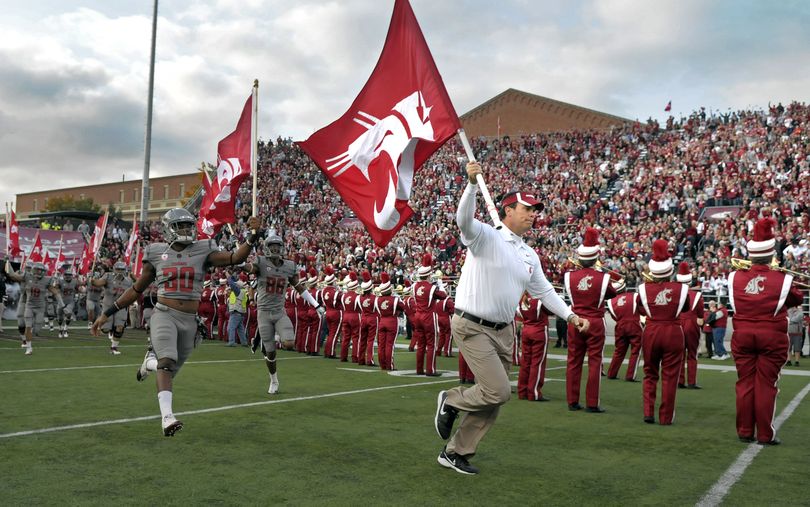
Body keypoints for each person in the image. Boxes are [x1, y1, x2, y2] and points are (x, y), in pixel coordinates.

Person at [434, 161, 588, 475]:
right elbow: (463, 221)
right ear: (507, 210)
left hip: (504, 331)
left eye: (535, 209)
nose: (533, 213)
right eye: (527, 208)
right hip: (472, 324)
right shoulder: (487, 236)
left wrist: (570, 315)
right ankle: (450, 400)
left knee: (494, 400)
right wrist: (472, 185)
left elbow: (545, 291)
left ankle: (455, 452)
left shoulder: (529, 254)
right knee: (498, 391)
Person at [91, 208, 262, 437]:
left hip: (190, 320)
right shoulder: (155, 253)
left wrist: (253, 235)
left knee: (170, 369)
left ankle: (148, 364)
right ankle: (167, 418)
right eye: (180, 225)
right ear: (168, 229)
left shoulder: (204, 249)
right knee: (167, 361)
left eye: (189, 225)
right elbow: (136, 289)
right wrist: (107, 313)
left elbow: (235, 258)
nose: (186, 230)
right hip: (164, 313)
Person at [728, 218, 804, 444]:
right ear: (772, 253)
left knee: (745, 383)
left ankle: (744, 431)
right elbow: (796, 298)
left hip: (742, 335)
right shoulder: (782, 278)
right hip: (772, 336)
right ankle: (764, 434)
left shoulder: (734, 277)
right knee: (766, 385)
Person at [242, 233, 323, 394]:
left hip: (279, 311)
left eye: (277, 246)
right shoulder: (261, 262)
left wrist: (316, 304)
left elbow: (299, 287)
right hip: (263, 312)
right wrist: (239, 261)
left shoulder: (289, 266)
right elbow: (250, 268)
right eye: (272, 246)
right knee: (270, 352)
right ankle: (274, 380)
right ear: (266, 248)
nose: (275, 249)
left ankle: (275, 336)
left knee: (289, 343)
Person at [564, 227, 618, 412]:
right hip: (595, 321)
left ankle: (572, 401)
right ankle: (592, 403)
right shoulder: (603, 277)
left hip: (575, 321)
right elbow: (612, 292)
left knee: (573, 361)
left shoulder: (569, 276)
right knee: (595, 362)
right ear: (596, 258)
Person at [636, 240, 690, 425]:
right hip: (673, 332)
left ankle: (648, 412)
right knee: (670, 376)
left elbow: (640, 309)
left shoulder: (643, 288)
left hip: (651, 331)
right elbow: (686, 308)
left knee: (649, 373)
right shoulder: (681, 288)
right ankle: (666, 417)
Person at [4, 261, 63, 355]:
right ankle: (29, 347)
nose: (38, 272)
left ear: (44, 271)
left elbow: (56, 292)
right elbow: (12, 275)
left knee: (36, 329)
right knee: (28, 326)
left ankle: (30, 336)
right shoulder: (27, 276)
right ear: (32, 270)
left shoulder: (47, 280)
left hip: (40, 307)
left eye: (40, 270)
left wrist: (62, 304)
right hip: (29, 305)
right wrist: (8, 262)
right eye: (37, 270)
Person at [91, 261, 134, 355]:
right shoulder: (108, 276)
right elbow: (98, 283)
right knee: (105, 329)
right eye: (118, 269)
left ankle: (114, 347)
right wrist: (93, 280)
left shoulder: (128, 281)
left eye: (122, 269)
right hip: (108, 304)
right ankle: (110, 329)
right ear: (114, 269)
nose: (120, 271)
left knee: (120, 326)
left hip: (121, 305)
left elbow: (132, 293)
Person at [516, 291, 553, 401]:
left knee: (525, 362)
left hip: (526, 330)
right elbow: (551, 310)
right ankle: (534, 392)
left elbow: (519, 313)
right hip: (539, 330)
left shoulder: (522, 297)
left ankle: (522, 391)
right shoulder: (540, 297)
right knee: (537, 363)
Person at [605, 278, 642, 382]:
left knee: (619, 351)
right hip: (634, 324)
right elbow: (642, 310)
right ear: (624, 288)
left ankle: (612, 373)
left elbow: (614, 317)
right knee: (636, 350)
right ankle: (630, 375)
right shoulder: (635, 295)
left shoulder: (610, 302)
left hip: (620, 326)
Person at [675, 262, 705, 388]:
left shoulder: (674, 293)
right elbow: (700, 316)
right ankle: (692, 382)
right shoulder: (697, 295)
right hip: (692, 324)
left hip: (678, 324)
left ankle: (680, 381)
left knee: (679, 354)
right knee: (692, 354)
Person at [54, 268, 79, 338]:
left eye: (69, 275)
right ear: (64, 275)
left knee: (69, 314)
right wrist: (56, 283)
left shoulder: (74, 281)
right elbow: (56, 289)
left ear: (71, 275)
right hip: (61, 302)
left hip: (70, 301)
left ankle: (65, 328)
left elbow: (78, 289)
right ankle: (60, 328)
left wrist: (77, 294)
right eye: (66, 275)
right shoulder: (60, 281)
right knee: (60, 318)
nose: (68, 276)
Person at [226, 273, 249, 347]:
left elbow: (232, 284)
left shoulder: (237, 291)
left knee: (230, 328)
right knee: (240, 329)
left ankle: (231, 342)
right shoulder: (243, 291)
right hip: (241, 312)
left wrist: (229, 277)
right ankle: (244, 342)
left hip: (236, 312)